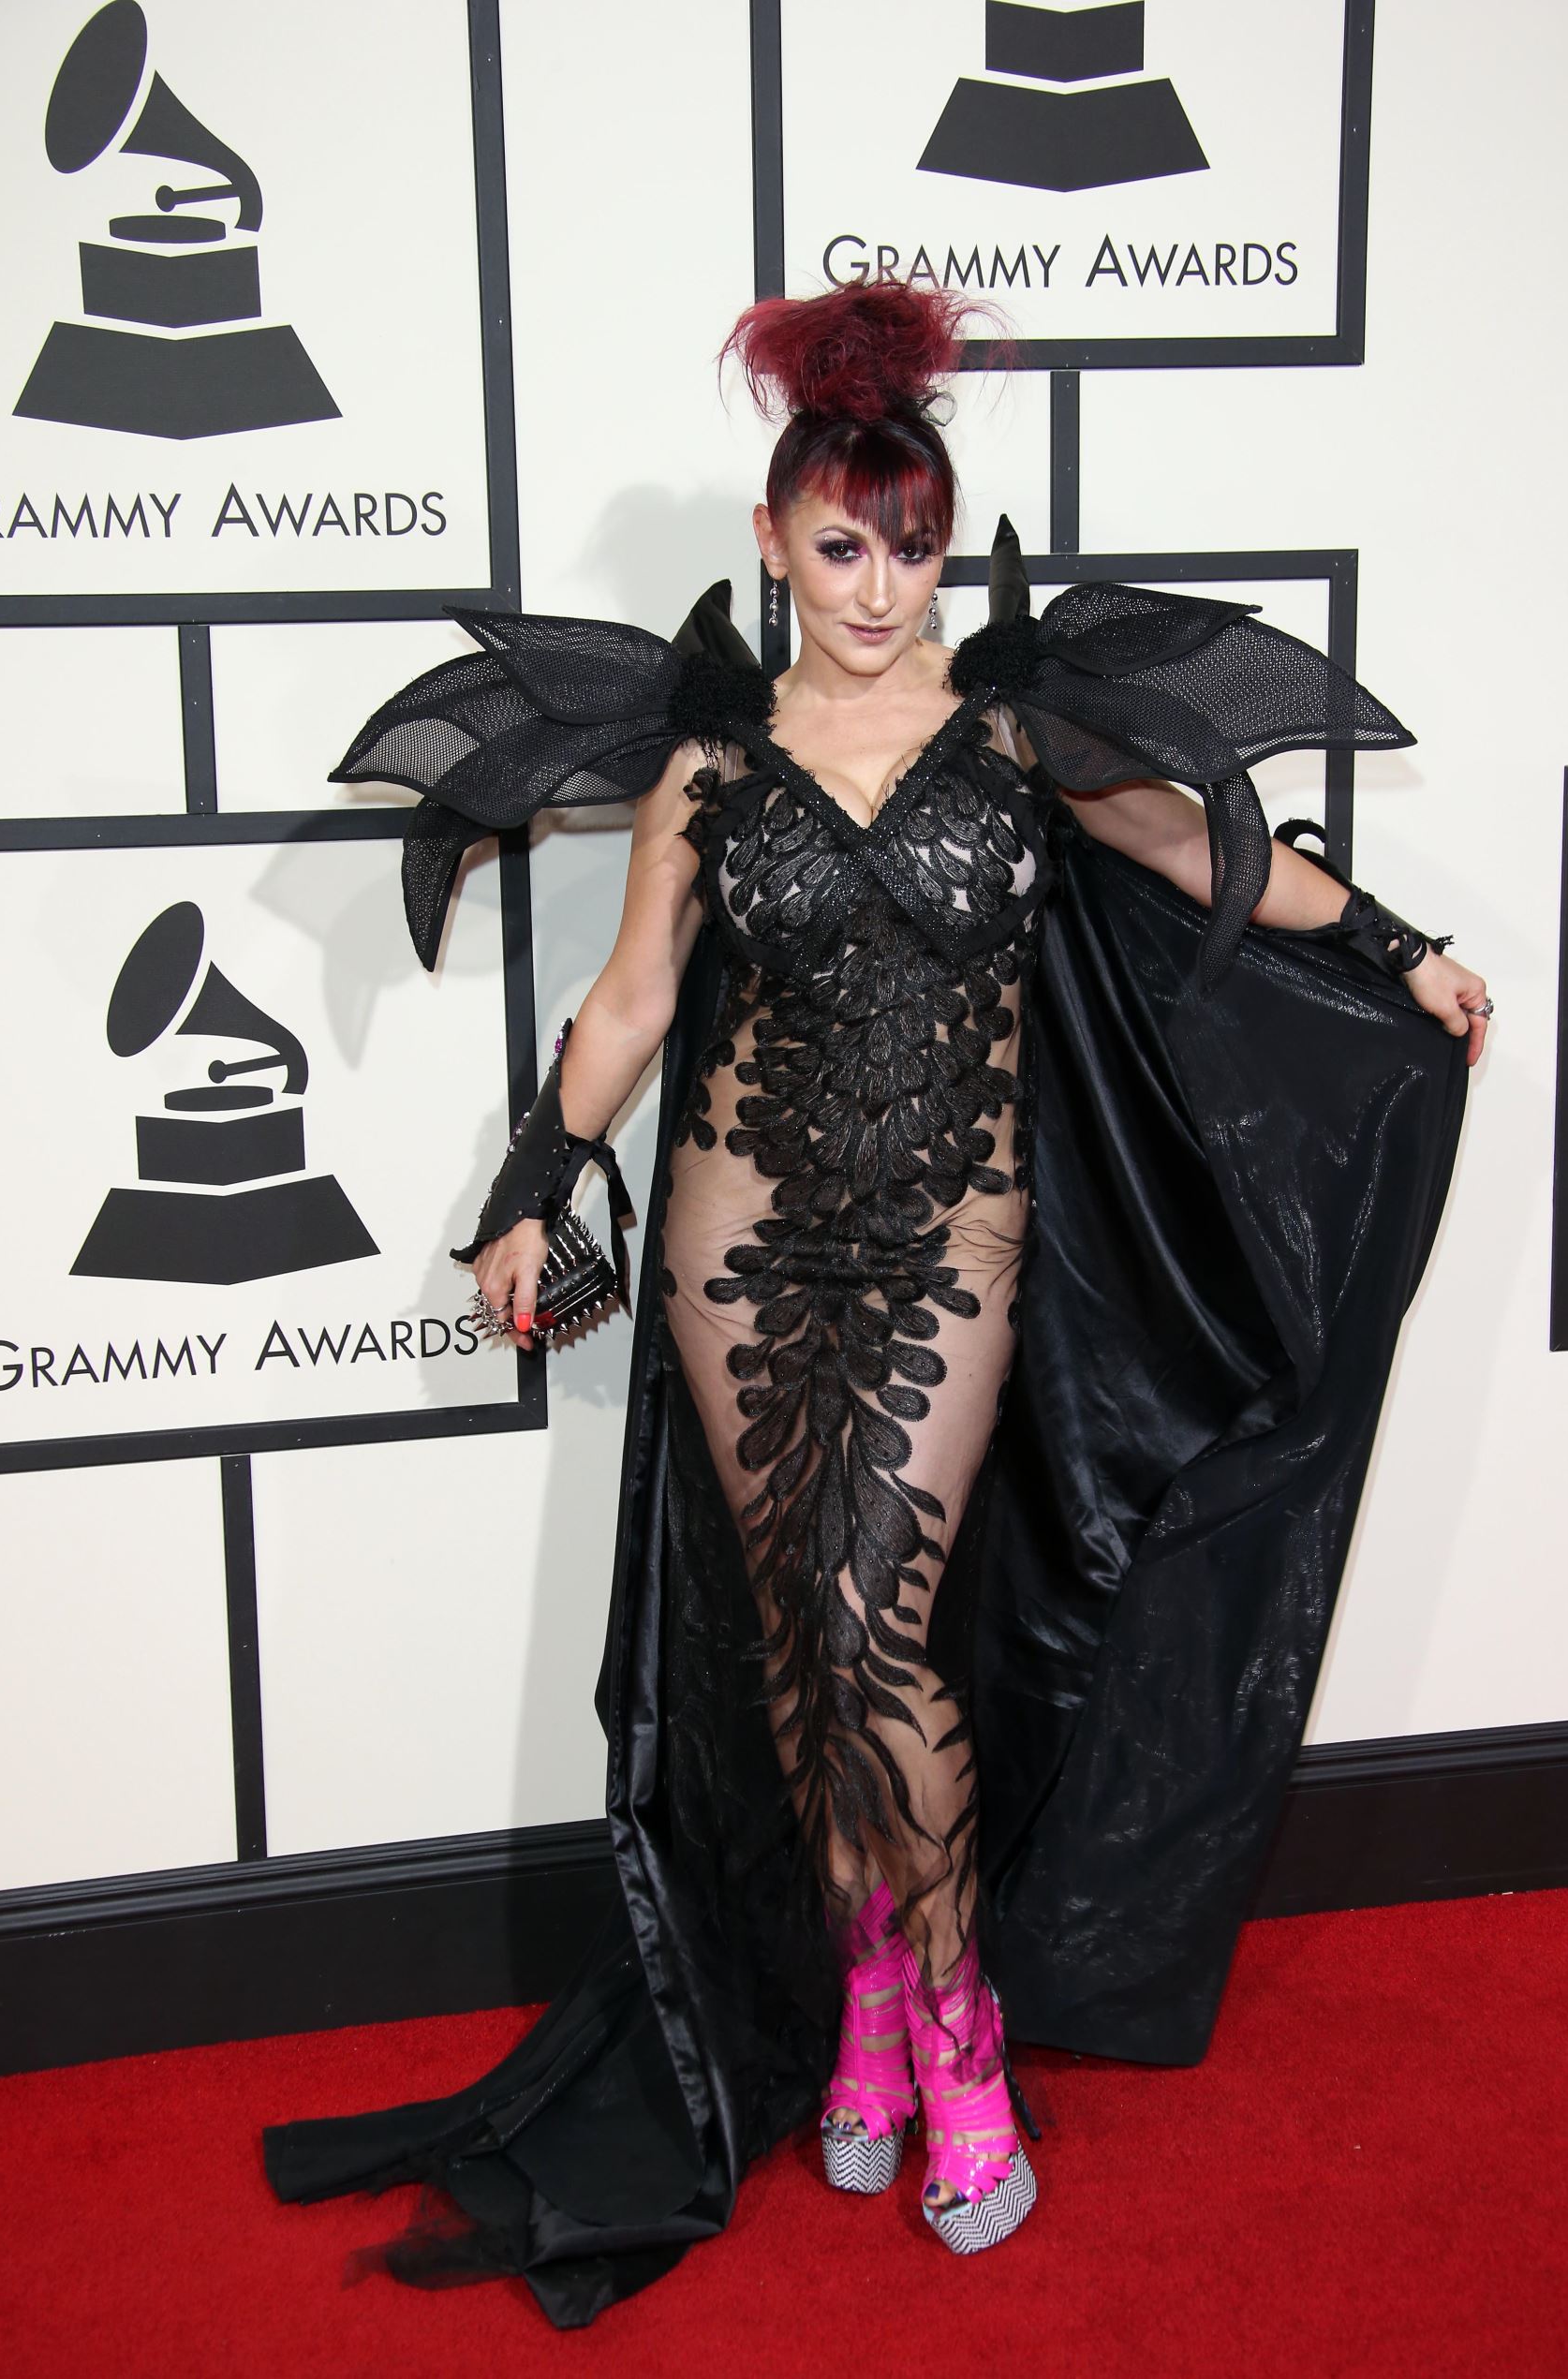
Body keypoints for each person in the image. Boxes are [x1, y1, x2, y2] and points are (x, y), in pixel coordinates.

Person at [263, 282, 1487, 2323]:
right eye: (842, 544)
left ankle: (957, 2027)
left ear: (943, 540)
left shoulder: (1014, 737)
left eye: (912, 545)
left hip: (948, 1237)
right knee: (798, 1660)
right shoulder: (706, 767)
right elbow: (636, 999)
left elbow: (1212, 853)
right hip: (739, 1240)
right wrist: (531, 1181)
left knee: (874, 1629)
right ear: (773, 539)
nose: (879, 583)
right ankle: (868, 2006)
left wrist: (1393, 936)